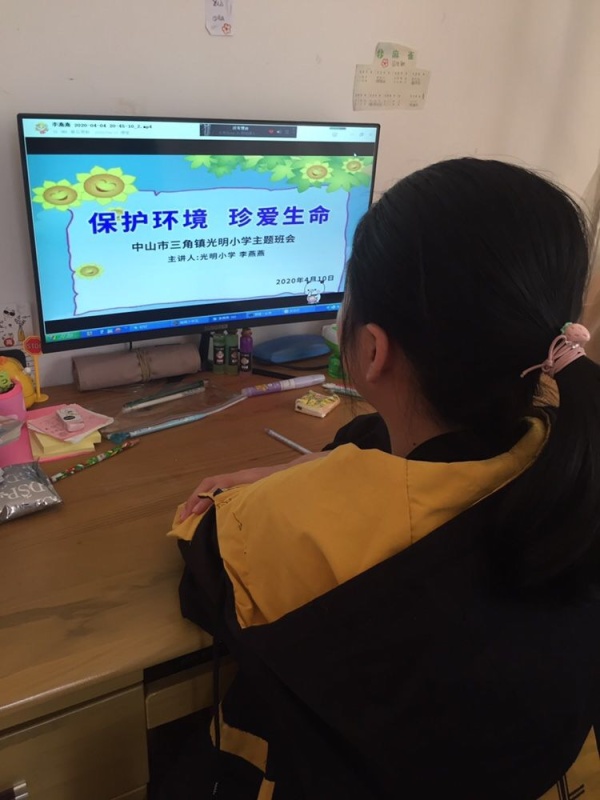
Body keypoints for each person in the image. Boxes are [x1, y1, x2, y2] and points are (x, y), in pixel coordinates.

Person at [168, 158, 600, 799]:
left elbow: (202, 548)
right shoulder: (566, 447)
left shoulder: (296, 523)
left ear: (372, 349)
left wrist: (293, 483)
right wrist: (319, 464)